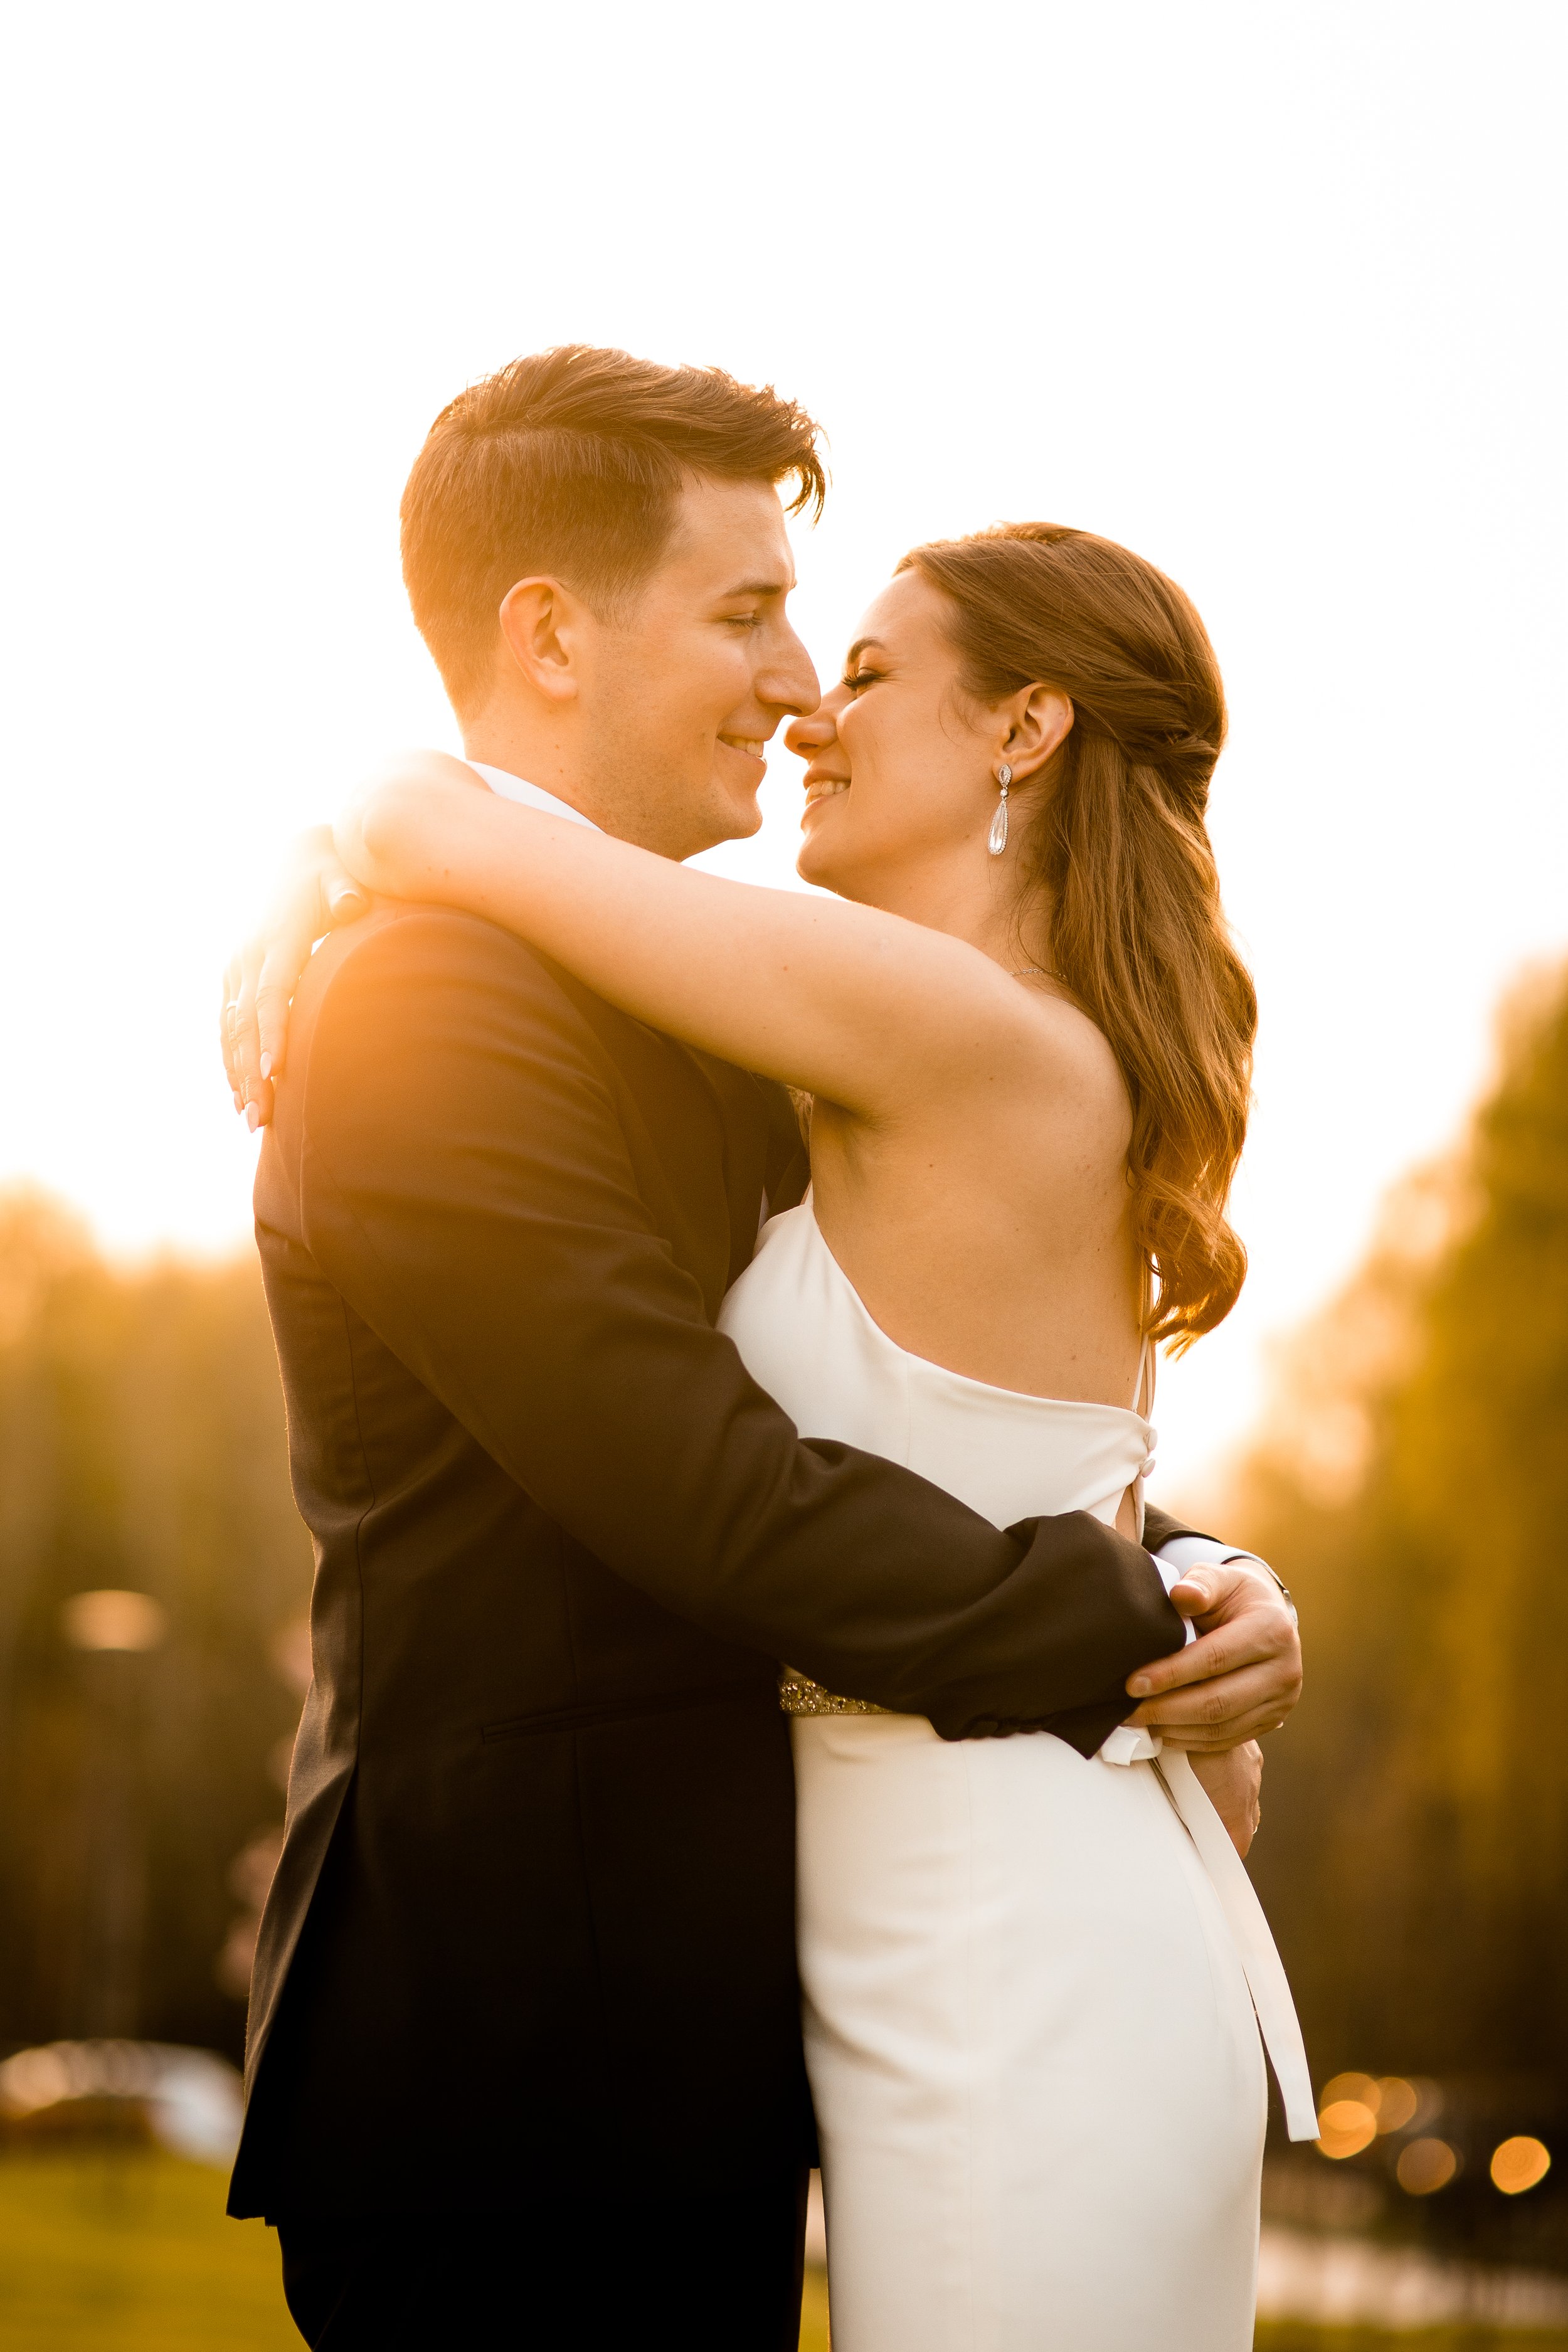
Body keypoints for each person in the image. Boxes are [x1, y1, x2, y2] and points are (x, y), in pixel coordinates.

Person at [222, 346, 1303, 2350]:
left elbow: (922, 1399)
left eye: (825, 636)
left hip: (718, 2040)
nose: (798, 681)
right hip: (507, 2068)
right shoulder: (427, 1010)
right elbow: (697, 1482)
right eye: (748, 614)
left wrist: (1178, 1563)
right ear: (547, 631)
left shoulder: (727, 1026)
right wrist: (1123, 1626)